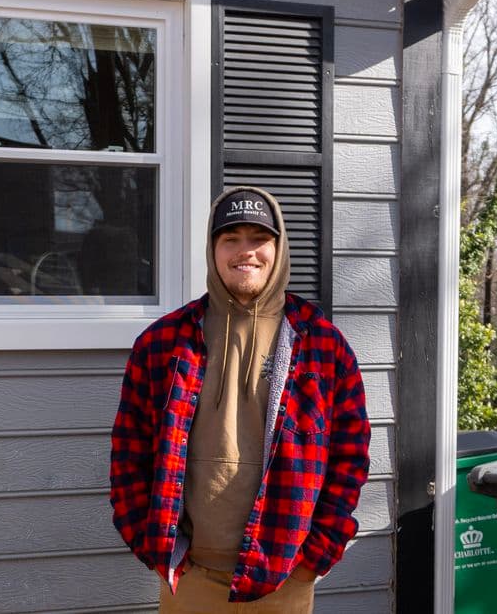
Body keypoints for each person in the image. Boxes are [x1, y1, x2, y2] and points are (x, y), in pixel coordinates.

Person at [109, 186, 371, 613]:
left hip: (284, 577)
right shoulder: (162, 344)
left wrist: (316, 555)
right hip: (190, 580)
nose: (244, 251)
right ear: (213, 249)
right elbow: (129, 452)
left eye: (258, 238)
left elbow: (350, 458)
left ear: (279, 247)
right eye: (230, 238)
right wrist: (151, 544)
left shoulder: (322, 346)